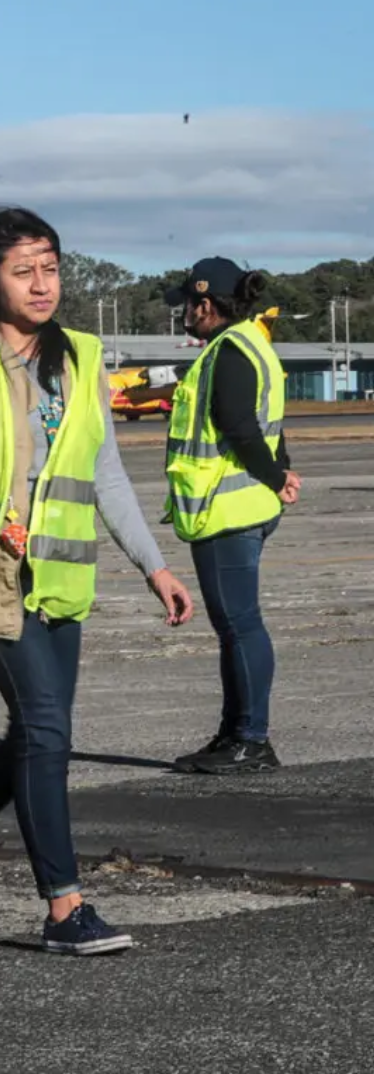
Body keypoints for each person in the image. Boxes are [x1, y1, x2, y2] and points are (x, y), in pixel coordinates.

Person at [0, 206, 196, 956]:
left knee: (33, 733)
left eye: (51, 267)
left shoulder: (82, 359)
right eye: (23, 270)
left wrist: (154, 566)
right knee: (49, 734)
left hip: (59, 577)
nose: (41, 284)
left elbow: (106, 475)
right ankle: (64, 908)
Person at [162, 257, 298, 775]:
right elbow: (271, 424)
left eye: (187, 306)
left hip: (227, 511)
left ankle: (252, 740)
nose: (183, 316)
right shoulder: (253, 343)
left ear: (206, 303)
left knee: (240, 626)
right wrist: (281, 469)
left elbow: (241, 426)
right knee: (235, 628)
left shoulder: (228, 352)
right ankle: (234, 733)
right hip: (245, 508)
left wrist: (274, 475)